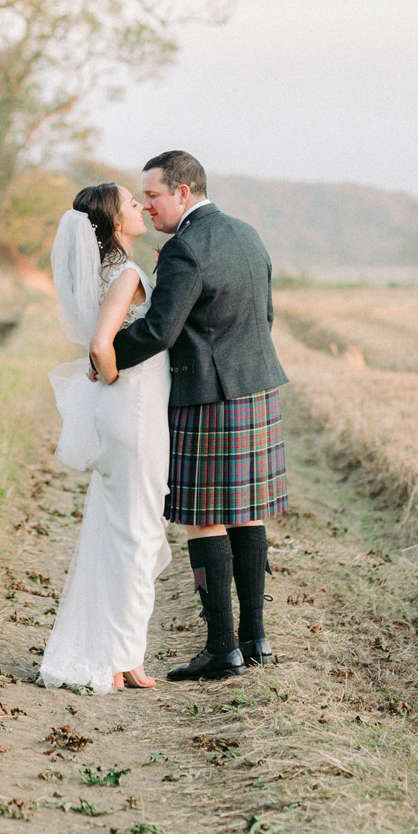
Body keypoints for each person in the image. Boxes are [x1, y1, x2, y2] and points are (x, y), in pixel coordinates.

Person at [111, 150, 288, 680]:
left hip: (209, 395)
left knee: (203, 518)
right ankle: (255, 640)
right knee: (247, 512)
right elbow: (267, 315)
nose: (148, 205)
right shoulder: (247, 234)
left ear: (182, 193)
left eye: (154, 195)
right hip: (256, 388)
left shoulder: (184, 249)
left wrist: (106, 357)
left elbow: (161, 330)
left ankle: (220, 649)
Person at [40, 182, 171, 695]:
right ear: (116, 224)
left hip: (128, 412)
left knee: (122, 529)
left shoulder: (107, 272)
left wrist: (109, 373)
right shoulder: (128, 275)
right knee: (137, 534)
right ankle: (122, 658)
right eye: (131, 202)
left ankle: (120, 651)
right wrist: (114, 377)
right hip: (133, 410)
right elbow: (101, 344)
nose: (140, 206)